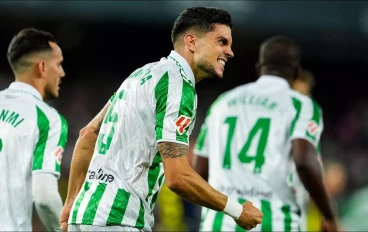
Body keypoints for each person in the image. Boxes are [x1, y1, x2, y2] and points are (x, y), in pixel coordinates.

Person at [60, 7, 263, 232]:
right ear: (192, 42)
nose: (230, 51)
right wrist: (237, 210)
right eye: (222, 42)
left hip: (84, 216)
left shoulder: (140, 75)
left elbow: (87, 135)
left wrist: (70, 203)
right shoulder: (178, 86)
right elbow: (177, 177)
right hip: (120, 220)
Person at [192, 35, 337, 231]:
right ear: (296, 73)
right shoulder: (302, 106)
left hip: (218, 224)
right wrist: (328, 214)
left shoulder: (223, 103)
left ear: (259, 68)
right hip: (275, 222)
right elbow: (303, 161)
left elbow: (200, 169)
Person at [0, 28, 67, 231]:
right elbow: (45, 196)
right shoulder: (47, 119)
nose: (62, 72)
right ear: (42, 67)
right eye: (59, 64)